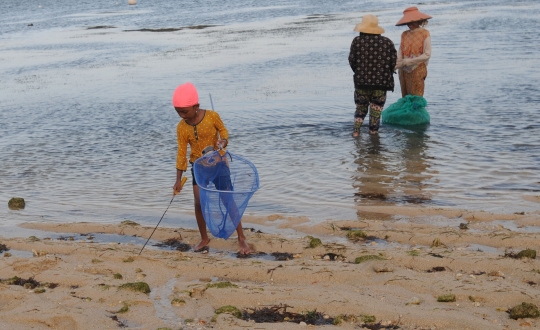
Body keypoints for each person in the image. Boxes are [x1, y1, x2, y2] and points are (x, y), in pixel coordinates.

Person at [172, 82, 251, 255]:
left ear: (196, 106)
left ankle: (241, 237)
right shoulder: (181, 127)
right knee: (199, 203)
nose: (181, 115)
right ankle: (204, 238)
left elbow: (224, 132)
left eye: (184, 111)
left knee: (227, 200)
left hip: (219, 164)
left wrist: (222, 142)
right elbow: (181, 153)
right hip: (198, 168)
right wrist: (178, 179)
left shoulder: (212, 116)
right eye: (178, 111)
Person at [349, 14, 397, 136]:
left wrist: (360, 72)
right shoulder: (387, 42)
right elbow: (393, 62)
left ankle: (356, 131)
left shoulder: (357, 41)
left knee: (360, 109)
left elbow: (352, 61)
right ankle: (373, 132)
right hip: (381, 84)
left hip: (361, 83)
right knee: (376, 111)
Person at [395, 7, 432, 97]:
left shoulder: (424, 33)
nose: (409, 24)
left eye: (412, 22)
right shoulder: (404, 34)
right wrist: (396, 65)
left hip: (418, 68)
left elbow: (427, 54)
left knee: (416, 97)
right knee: (405, 96)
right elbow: (400, 52)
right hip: (403, 70)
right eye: (408, 22)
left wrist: (409, 61)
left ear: (418, 21)